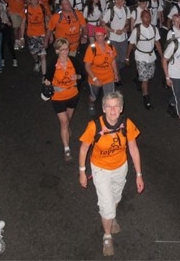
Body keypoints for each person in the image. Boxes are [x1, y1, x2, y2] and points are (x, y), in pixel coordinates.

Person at [78, 91, 144, 256]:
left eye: (116, 106)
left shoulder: (126, 124)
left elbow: (133, 148)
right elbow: (84, 148)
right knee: (107, 204)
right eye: (109, 106)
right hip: (101, 169)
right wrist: (82, 172)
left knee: (116, 197)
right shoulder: (95, 126)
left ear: (121, 108)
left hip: (120, 168)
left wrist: (138, 174)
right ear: (103, 108)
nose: (113, 110)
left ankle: (111, 217)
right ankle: (107, 236)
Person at [43, 39, 80, 161]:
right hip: (58, 97)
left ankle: (67, 127)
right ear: (57, 50)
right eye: (63, 49)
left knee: (68, 119)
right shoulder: (53, 63)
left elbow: (82, 75)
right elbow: (47, 79)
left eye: (67, 49)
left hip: (73, 95)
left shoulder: (73, 61)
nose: (65, 51)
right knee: (64, 122)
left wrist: (78, 76)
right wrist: (47, 83)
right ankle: (67, 149)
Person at [125, 10, 164, 110]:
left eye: (149, 17)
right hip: (140, 56)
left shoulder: (154, 29)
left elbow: (157, 43)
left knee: (150, 75)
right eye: (146, 17)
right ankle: (146, 99)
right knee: (145, 80)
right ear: (142, 18)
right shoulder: (136, 30)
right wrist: (127, 57)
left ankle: (138, 78)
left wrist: (162, 56)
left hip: (151, 56)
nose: (148, 19)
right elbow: (131, 44)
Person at [45, 0, 87, 77]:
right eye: (66, 3)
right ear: (61, 7)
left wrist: (84, 36)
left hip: (74, 47)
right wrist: (46, 41)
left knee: (72, 65)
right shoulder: (56, 17)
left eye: (68, 2)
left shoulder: (77, 14)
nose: (69, 4)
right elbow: (49, 30)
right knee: (62, 65)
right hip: (62, 48)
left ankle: (71, 79)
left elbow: (84, 26)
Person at [83, 27, 119, 116]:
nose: (99, 38)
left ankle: (108, 114)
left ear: (105, 36)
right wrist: (95, 79)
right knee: (94, 97)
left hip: (108, 76)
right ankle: (91, 104)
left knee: (109, 98)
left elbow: (113, 60)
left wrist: (115, 73)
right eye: (97, 36)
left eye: (101, 36)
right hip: (95, 77)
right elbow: (87, 66)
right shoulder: (92, 49)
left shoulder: (110, 46)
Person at [20, 0, 49, 75]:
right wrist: (21, 37)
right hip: (31, 34)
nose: (34, 2)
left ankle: (44, 76)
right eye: (32, 0)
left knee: (43, 55)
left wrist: (49, 35)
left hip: (42, 34)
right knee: (33, 52)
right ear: (29, 0)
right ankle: (36, 61)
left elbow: (47, 22)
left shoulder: (43, 8)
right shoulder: (26, 10)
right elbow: (23, 23)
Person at [101, 0, 130, 71]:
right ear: (116, 1)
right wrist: (114, 31)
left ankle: (116, 70)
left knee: (122, 58)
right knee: (114, 57)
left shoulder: (126, 9)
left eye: (124, 0)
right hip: (113, 39)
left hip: (124, 38)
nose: (123, 2)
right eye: (121, 0)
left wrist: (126, 27)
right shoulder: (110, 11)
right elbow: (103, 24)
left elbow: (127, 21)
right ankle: (115, 74)